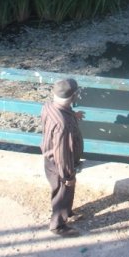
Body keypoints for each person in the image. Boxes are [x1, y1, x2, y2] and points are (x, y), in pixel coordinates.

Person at [40, 78, 85, 237]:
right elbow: (62, 153)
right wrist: (67, 176)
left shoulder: (49, 106)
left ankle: (67, 212)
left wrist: (73, 115)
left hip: (49, 160)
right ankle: (57, 225)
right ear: (73, 97)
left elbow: (59, 112)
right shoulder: (62, 125)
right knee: (62, 191)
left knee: (64, 191)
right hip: (59, 164)